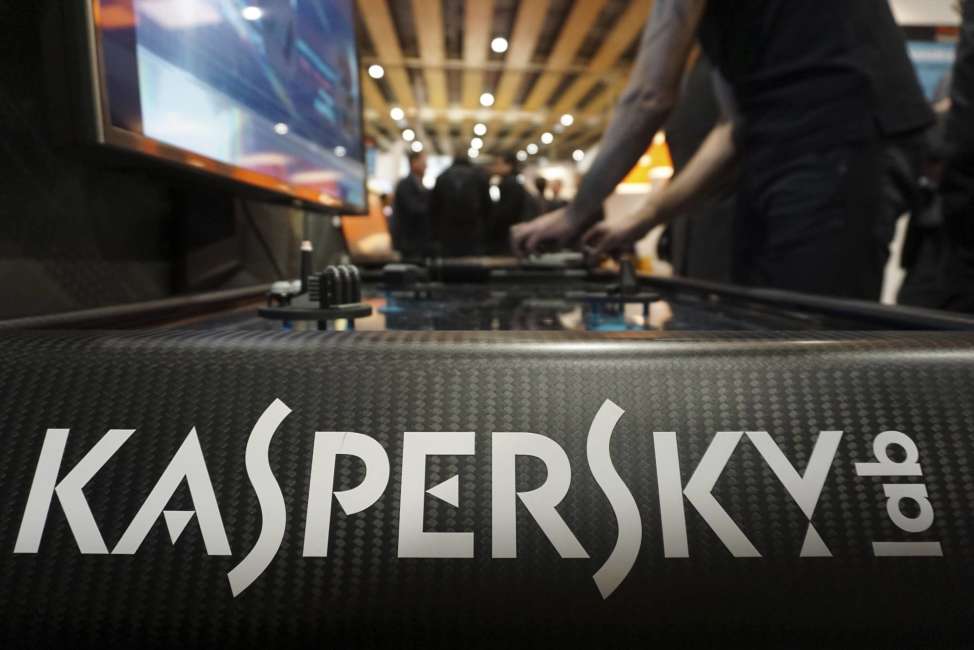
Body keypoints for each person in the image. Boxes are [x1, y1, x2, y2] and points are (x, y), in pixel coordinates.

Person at [512, 0, 925, 301]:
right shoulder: (743, 33)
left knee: (814, 347)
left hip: (843, 141)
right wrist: (642, 219)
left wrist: (576, 212)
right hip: (794, 150)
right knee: (767, 326)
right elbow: (733, 131)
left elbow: (649, 96)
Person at [429, 153, 492, 257]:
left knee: (449, 267)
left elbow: (433, 208)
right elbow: (488, 207)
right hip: (473, 232)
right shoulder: (479, 176)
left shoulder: (442, 176)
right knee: (472, 266)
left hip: (448, 233)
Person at [488, 153, 538, 254]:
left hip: (508, 238)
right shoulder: (513, 182)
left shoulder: (510, 183)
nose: (495, 166)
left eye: (498, 163)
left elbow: (507, 214)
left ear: (509, 165)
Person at [391, 151, 430, 260]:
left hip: (418, 243)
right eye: (423, 162)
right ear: (414, 163)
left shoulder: (421, 186)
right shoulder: (405, 184)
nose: (426, 166)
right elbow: (413, 209)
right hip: (409, 243)